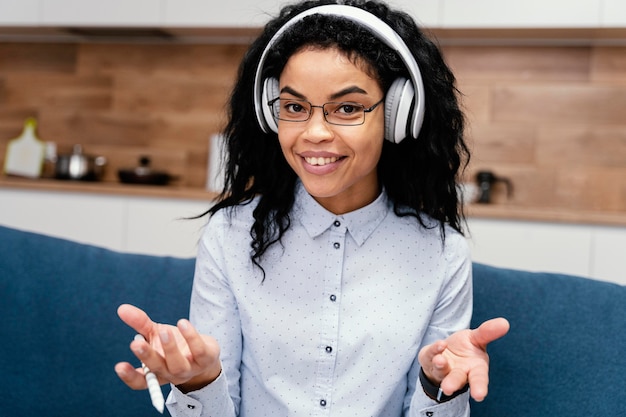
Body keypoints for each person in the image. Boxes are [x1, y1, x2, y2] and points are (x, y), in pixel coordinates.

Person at [115, 0, 510, 415]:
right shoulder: (229, 235)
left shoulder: (442, 254)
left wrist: (437, 386)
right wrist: (198, 381)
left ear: (397, 115)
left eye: (347, 108)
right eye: (295, 107)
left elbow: (440, 390)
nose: (315, 132)